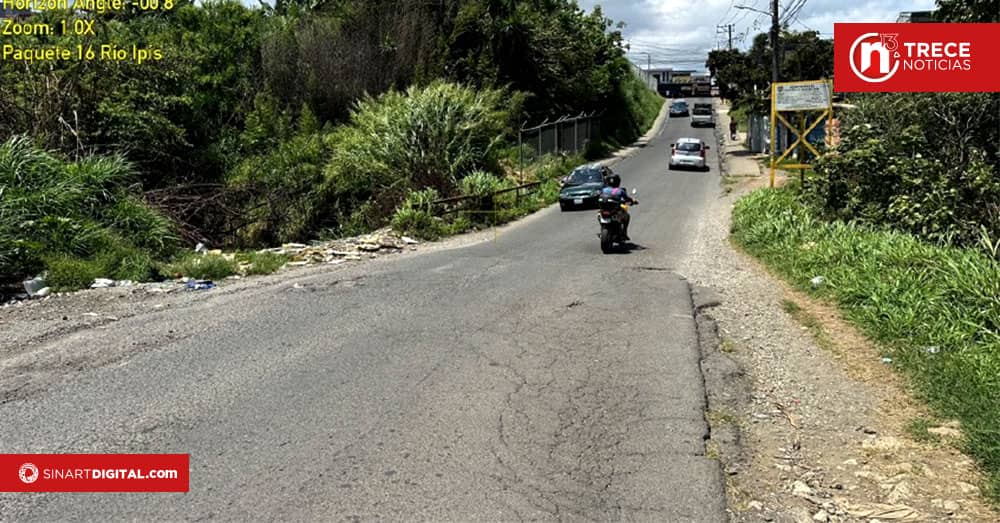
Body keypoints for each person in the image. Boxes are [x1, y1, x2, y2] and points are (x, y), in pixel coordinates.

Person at [600, 174, 635, 240]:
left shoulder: (604, 190)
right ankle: (624, 232)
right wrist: (633, 201)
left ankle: (603, 229)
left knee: (600, 215)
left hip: (604, 211)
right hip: (615, 211)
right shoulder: (620, 190)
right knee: (627, 216)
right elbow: (627, 199)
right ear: (618, 181)